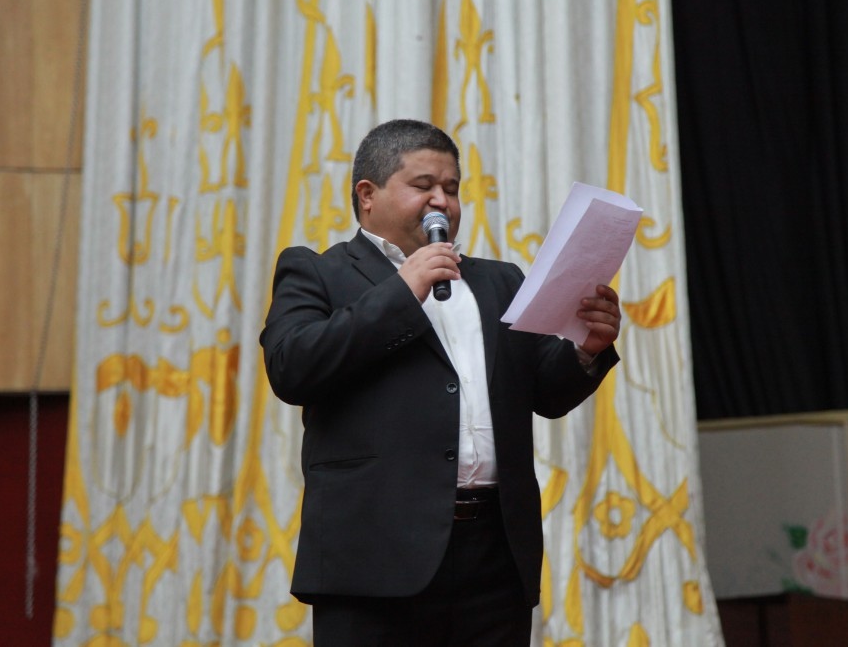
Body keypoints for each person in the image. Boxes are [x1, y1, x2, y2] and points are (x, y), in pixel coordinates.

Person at [260, 119, 621, 646]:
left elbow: (545, 393)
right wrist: (402, 291)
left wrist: (587, 349)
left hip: (494, 556)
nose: (441, 202)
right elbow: (292, 366)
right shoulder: (317, 272)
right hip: (373, 558)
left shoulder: (500, 280)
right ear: (367, 195)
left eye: (451, 189)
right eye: (423, 186)